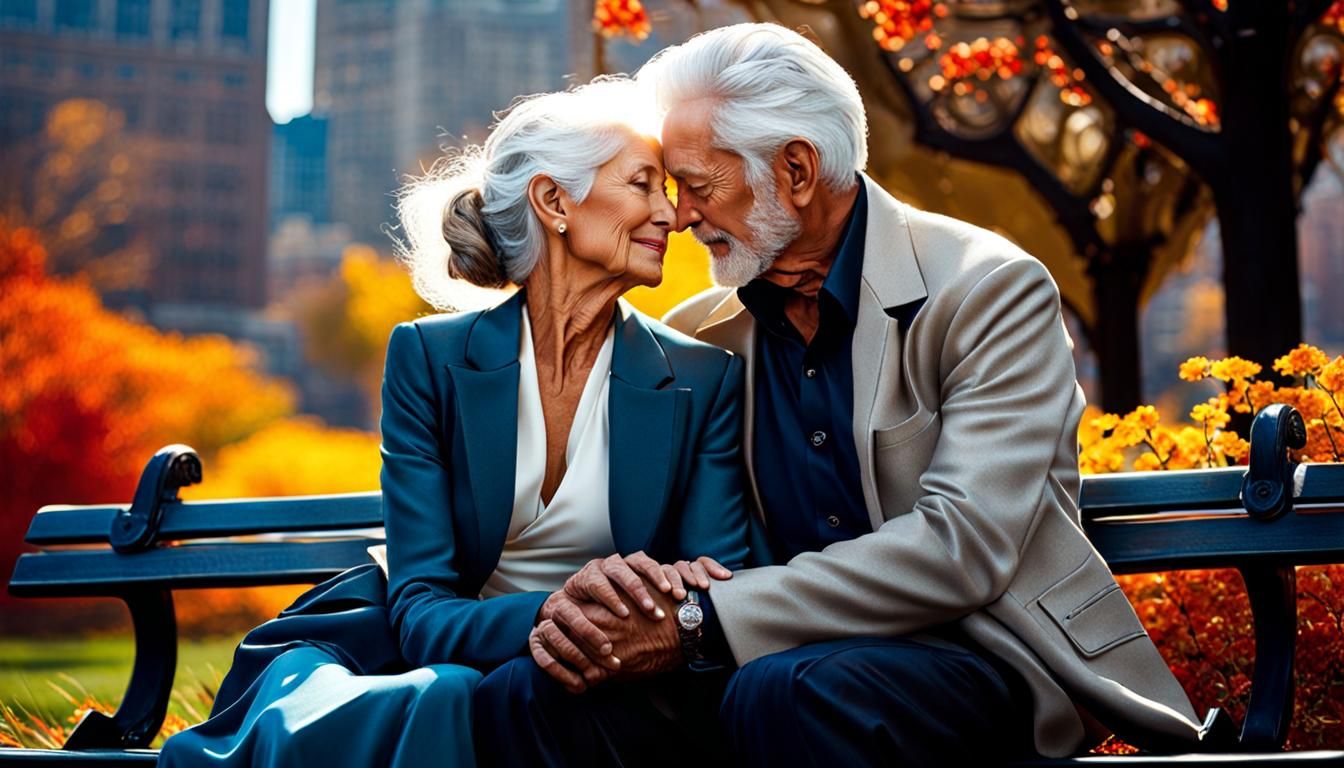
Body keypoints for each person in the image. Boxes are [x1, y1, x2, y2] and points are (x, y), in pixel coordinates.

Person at [473, 23, 1209, 767]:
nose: (682, 216)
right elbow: (658, 535)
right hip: (764, 658)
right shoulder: (697, 337)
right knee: (530, 693)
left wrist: (702, 619)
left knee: (788, 693)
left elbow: (963, 549)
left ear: (796, 168)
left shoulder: (987, 291)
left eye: (698, 185)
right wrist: (612, 590)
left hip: (983, 654)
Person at [158, 77, 758, 768]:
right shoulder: (429, 359)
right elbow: (419, 610)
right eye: (643, 184)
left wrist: (630, 622)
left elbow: (716, 582)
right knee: (461, 696)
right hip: (448, 670)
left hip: (614, 692)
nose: (674, 214)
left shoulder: (703, 377)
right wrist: (549, 613)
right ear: (554, 201)